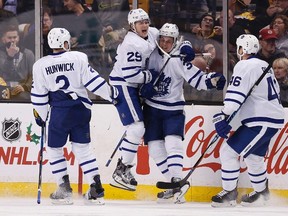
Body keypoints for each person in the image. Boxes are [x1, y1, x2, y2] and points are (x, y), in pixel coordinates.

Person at [109, 8, 195, 192]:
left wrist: (186, 45)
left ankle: (169, 182)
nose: (145, 25)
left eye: (146, 21)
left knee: (139, 129)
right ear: (132, 26)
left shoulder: (153, 33)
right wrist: (150, 77)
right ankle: (121, 170)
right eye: (140, 22)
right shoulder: (131, 44)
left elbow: (172, 37)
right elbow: (131, 75)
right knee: (137, 128)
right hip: (123, 84)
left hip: (133, 86)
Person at [31, 27, 118, 205]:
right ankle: (96, 189)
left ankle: (64, 190)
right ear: (65, 43)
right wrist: (112, 95)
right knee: (83, 149)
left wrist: (41, 115)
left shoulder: (40, 65)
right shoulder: (79, 58)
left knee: (55, 149)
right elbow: (93, 82)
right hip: (81, 109)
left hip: (60, 112)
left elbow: (39, 96)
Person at [141, 23, 226, 204]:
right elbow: (136, 71)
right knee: (155, 148)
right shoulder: (150, 53)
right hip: (151, 109)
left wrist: (213, 80)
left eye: (168, 41)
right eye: (162, 40)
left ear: (175, 41)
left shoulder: (180, 57)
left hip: (173, 109)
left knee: (173, 142)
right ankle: (176, 185)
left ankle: (177, 181)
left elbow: (198, 79)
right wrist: (143, 88)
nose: (164, 44)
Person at [211, 34, 285, 207]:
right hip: (270, 119)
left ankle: (229, 193)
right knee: (253, 157)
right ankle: (262, 195)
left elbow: (235, 96)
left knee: (228, 152)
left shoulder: (244, 65)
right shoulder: (264, 65)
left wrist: (223, 115)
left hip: (260, 120)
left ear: (242, 49)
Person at [0, 24, 34, 100]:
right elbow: (3, 72)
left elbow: (33, 75)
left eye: (15, 37)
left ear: (18, 38)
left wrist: (25, 87)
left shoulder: (28, 54)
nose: (12, 40)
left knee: (24, 97)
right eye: (9, 38)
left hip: (22, 92)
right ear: (3, 39)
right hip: (2, 91)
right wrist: (10, 57)